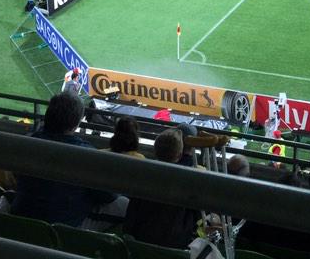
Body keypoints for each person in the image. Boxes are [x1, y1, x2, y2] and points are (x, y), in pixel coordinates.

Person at [11, 92, 114, 226]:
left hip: (20, 222)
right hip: (62, 230)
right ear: (75, 124)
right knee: (122, 204)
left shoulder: (27, 143)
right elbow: (107, 196)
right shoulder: (88, 155)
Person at [123, 129, 199, 249]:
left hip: (140, 239)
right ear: (179, 155)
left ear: (155, 150)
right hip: (174, 244)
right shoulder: (189, 180)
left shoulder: (144, 174)